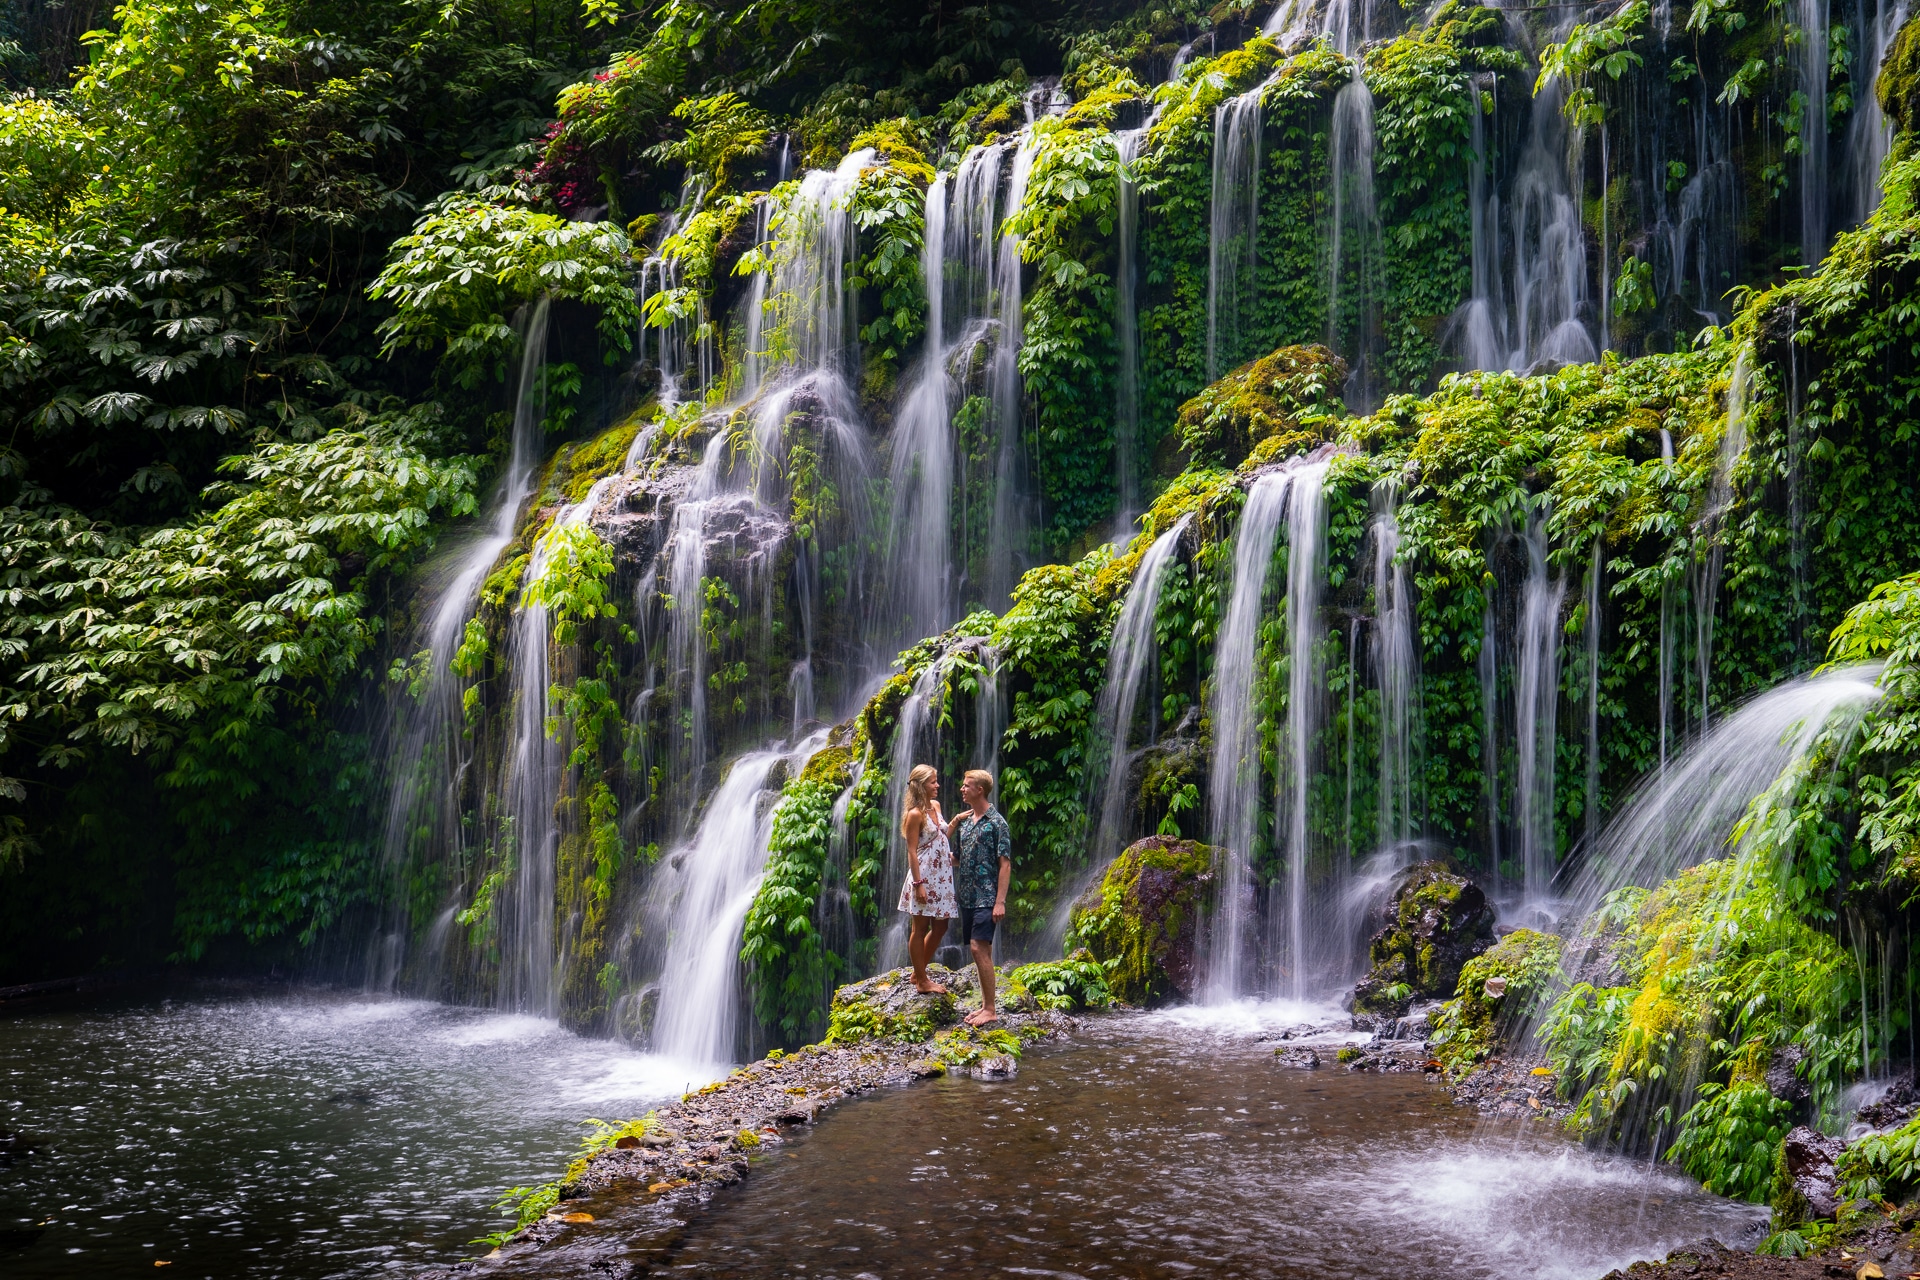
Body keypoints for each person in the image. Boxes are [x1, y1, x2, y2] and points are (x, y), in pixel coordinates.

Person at [949, 768, 1013, 1026]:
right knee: (978, 950)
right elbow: (956, 858)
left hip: (987, 897)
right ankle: (986, 1005)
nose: (962, 789)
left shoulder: (997, 823)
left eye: (967, 785)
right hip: (966, 898)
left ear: (980, 790)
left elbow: (1005, 864)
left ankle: (990, 1009)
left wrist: (1000, 901)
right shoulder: (964, 823)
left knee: (978, 948)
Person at [895, 763, 956, 994]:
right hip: (924, 876)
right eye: (933, 782)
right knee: (919, 928)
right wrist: (918, 885)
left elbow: (941, 836)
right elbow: (912, 851)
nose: (937, 785)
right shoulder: (914, 814)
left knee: (941, 926)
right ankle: (921, 980)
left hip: (942, 876)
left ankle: (917, 971)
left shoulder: (936, 806)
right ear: (921, 785)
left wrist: (955, 822)